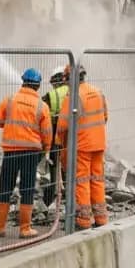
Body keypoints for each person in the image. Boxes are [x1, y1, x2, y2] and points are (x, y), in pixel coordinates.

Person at [0, 68, 53, 239]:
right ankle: (25, 229)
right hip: (31, 153)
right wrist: (46, 149)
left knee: (5, 187)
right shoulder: (42, 106)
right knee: (27, 188)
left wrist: (10, 126)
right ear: (38, 85)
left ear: (23, 82)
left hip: (11, 151)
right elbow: (47, 133)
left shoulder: (10, 99)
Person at [56, 64, 109, 230]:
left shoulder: (73, 96)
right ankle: (101, 218)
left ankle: (84, 220)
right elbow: (105, 116)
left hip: (82, 145)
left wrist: (59, 141)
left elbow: (63, 124)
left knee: (82, 181)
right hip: (99, 143)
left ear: (70, 78)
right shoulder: (98, 91)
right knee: (97, 180)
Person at [41, 67, 69, 206]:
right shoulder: (76, 92)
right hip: (73, 136)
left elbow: (40, 113)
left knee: (53, 165)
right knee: (68, 165)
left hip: (55, 135)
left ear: (57, 81)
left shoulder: (50, 95)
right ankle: (69, 195)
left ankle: (52, 195)